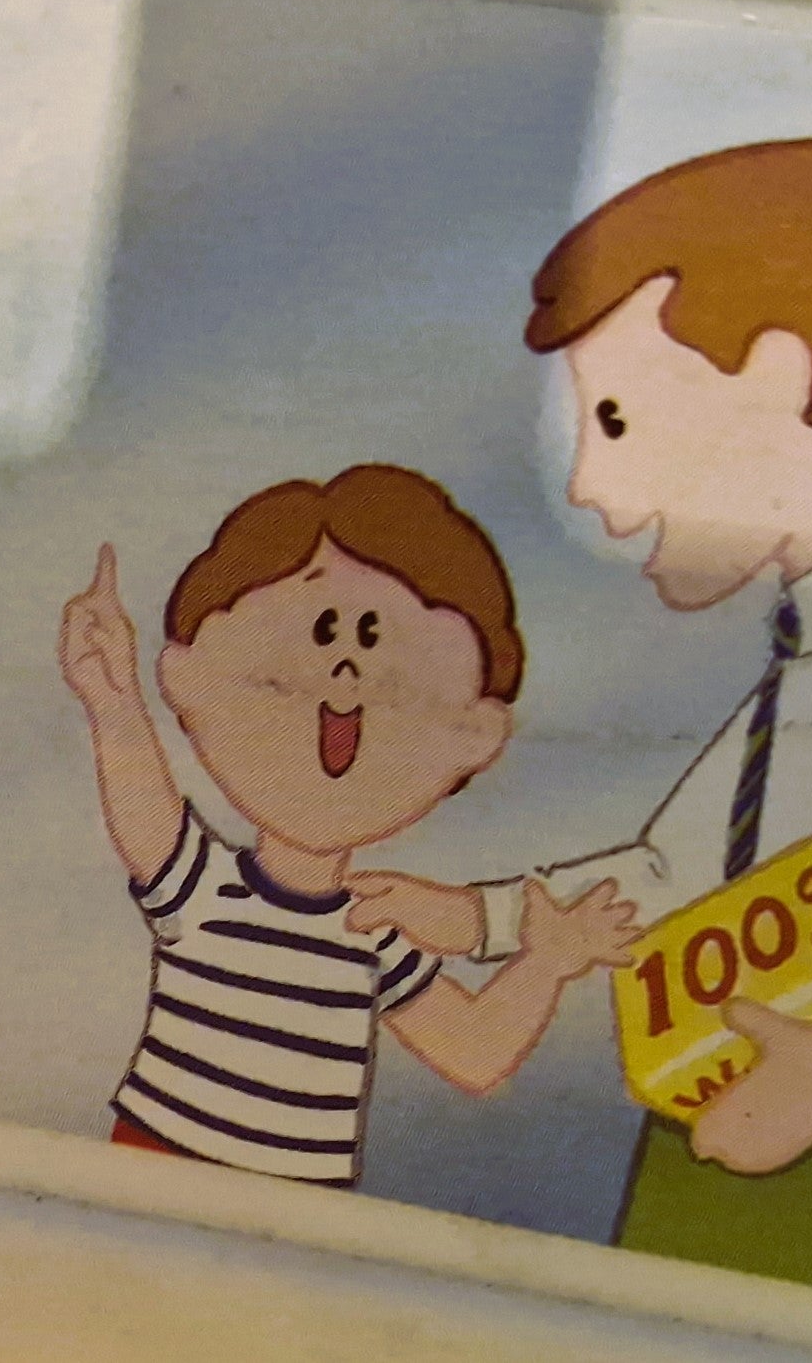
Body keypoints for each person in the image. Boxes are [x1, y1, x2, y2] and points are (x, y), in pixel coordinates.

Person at [343, 141, 812, 1281]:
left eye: (615, 421)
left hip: (807, 1133)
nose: (586, 487)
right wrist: (475, 916)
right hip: (706, 1104)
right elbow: (675, 874)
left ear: (774, 377)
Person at [59, 463, 637, 1187]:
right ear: (191, 678)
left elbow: (473, 1051)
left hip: (297, 1209)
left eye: (377, 643)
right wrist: (112, 701)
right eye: (320, 634)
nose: (343, 673)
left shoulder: (375, 931)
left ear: (474, 733)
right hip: (153, 1167)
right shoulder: (202, 885)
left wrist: (544, 965)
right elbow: (145, 810)